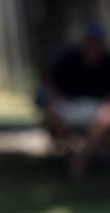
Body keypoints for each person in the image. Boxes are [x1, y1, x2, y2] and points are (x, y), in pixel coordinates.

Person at [39, 23, 110, 179]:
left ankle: (81, 160)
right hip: (68, 106)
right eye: (90, 41)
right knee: (50, 114)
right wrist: (53, 100)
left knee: (107, 116)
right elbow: (50, 86)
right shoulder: (68, 60)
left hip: (96, 109)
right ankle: (70, 156)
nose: (93, 46)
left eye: (96, 42)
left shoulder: (107, 62)